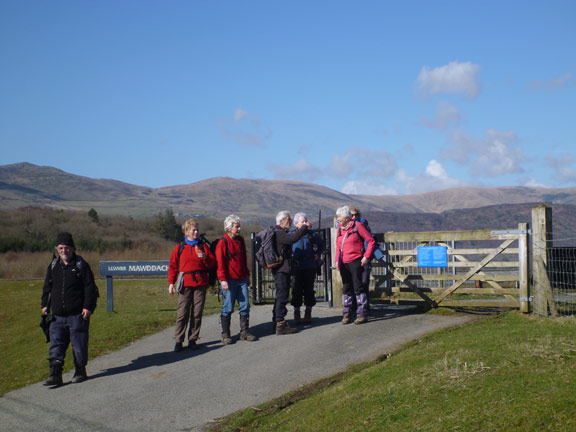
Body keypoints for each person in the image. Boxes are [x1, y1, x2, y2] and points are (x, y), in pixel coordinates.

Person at [41, 232, 99, 386]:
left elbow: (90, 288)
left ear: (72, 249)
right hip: (57, 316)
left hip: (77, 315)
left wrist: (88, 307)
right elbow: (47, 287)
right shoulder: (53, 266)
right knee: (56, 344)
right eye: (60, 248)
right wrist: (44, 305)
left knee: (79, 345)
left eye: (66, 248)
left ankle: (80, 371)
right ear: (57, 249)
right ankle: (55, 375)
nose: (63, 251)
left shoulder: (81, 265)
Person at [168, 218, 216, 352]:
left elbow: (212, 263)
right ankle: (179, 340)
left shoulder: (202, 246)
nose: (196, 232)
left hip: (200, 283)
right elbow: (172, 266)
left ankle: (193, 339)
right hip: (185, 284)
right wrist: (171, 283)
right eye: (193, 230)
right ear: (187, 231)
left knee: (197, 313)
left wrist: (204, 257)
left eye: (197, 230)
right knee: (182, 313)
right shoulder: (180, 247)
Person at [216, 215, 256, 344]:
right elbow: (220, 263)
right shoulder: (223, 242)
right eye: (236, 226)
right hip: (229, 280)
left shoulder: (241, 240)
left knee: (245, 306)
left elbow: (243, 260)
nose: (239, 228)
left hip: (241, 279)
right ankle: (226, 334)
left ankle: (244, 332)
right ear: (228, 228)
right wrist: (223, 280)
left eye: (239, 226)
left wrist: (247, 275)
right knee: (228, 307)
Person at [272, 210, 312, 335]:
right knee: (282, 296)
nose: (290, 222)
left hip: (282, 269)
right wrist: (304, 228)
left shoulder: (279, 232)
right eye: (288, 220)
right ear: (281, 221)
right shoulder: (279, 233)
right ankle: (280, 323)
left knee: (280, 295)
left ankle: (276, 321)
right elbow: (292, 238)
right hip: (282, 270)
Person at [335, 206, 376, 324]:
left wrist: (366, 257)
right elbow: (338, 246)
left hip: (356, 261)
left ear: (347, 218)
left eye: (340, 217)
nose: (338, 220)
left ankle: (362, 314)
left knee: (358, 287)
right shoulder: (339, 229)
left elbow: (371, 241)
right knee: (346, 288)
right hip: (344, 262)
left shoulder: (358, 226)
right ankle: (346, 314)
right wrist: (337, 260)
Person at [291, 212, 325, 325]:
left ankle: (308, 313)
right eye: (303, 221)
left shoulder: (311, 235)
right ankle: (296, 313)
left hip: (310, 266)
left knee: (309, 290)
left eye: (306, 221)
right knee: (296, 290)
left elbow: (322, 244)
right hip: (296, 267)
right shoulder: (292, 234)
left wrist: (317, 253)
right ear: (296, 224)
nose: (305, 223)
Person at [349, 205, 373, 315]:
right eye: (351, 215)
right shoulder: (346, 227)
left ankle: (364, 308)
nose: (353, 217)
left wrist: (367, 256)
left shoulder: (361, 225)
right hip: (353, 259)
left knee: (363, 283)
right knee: (354, 283)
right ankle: (355, 307)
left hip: (363, 258)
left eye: (355, 215)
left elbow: (370, 241)